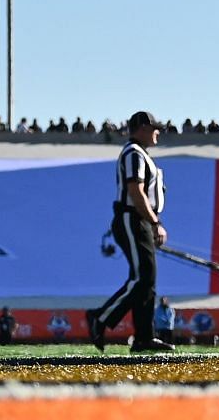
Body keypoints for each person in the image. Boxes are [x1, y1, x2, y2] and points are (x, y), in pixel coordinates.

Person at [88, 111, 173, 354]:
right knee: (142, 277)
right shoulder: (133, 153)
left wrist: (152, 222)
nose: (158, 132)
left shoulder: (141, 154)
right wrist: (154, 222)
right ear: (142, 128)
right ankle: (101, 317)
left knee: (147, 279)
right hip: (132, 217)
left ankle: (144, 336)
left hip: (138, 219)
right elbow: (136, 191)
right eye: (154, 127)